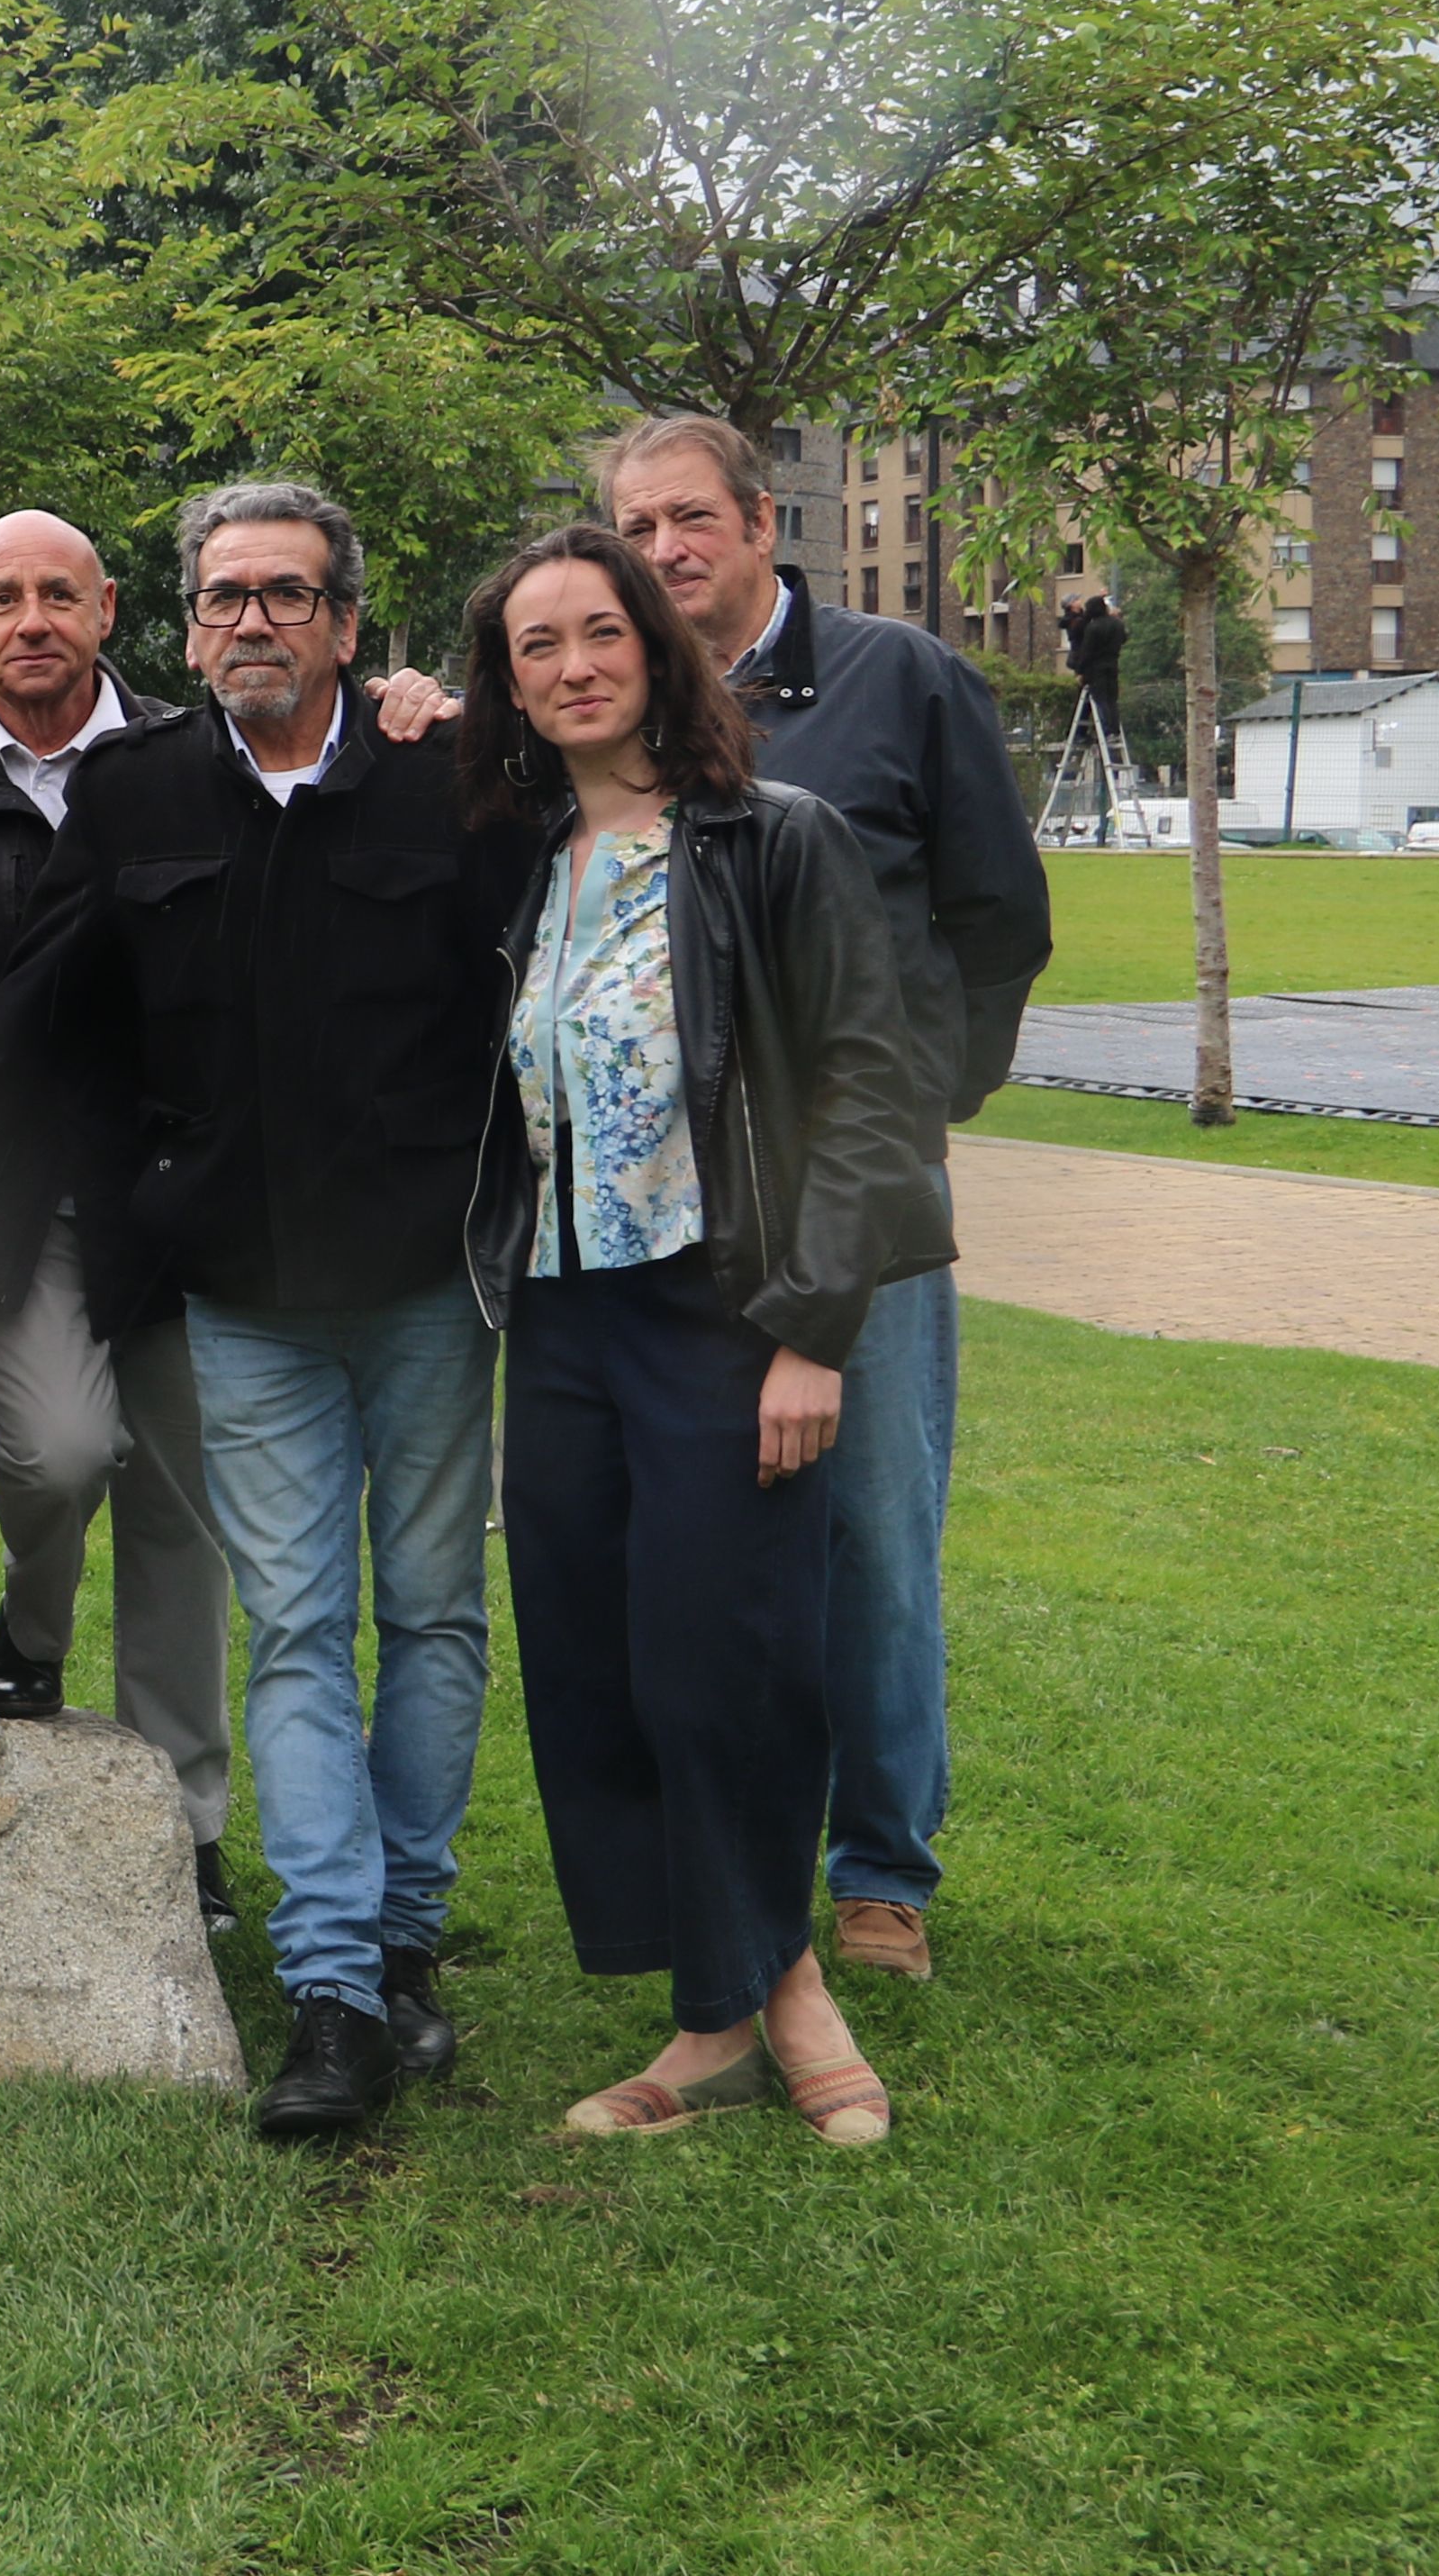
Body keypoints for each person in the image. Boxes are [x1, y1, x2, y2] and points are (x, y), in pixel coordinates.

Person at [0, 477, 539, 2142]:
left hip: (427, 1287)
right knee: (297, 1629)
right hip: (240, 1301)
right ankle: (333, 1994)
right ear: (185, 631)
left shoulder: (453, 784)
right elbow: (43, 1028)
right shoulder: (135, 794)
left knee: (431, 1614)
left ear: (346, 624)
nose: (251, 622)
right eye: (223, 597)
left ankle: (405, 1933)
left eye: (286, 594)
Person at [456, 525, 946, 2145]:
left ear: (657, 650)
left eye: (601, 631)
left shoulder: (771, 838)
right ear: (509, 685)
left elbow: (869, 1087)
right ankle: (718, 2000)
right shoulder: (525, 855)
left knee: (722, 1664)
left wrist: (812, 1332)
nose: (573, 665)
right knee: (597, 1666)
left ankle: (779, 1999)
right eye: (536, 645)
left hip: (723, 1309)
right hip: (562, 1314)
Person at [598, 417, 1050, 1983]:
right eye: (636, 527)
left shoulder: (900, 679)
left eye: (689, 518)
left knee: (872, 1531)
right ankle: (736, 1855)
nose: (665, 550)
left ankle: (880, 1872)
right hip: (677, 1201)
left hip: (861, 1184)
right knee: (709, 1534)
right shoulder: (622, 699)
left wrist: (926, 1101)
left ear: (759, 519)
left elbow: (997, 918)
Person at [0, 507, 233, 1927]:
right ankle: (35, 1624)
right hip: (6, 1196)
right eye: (3, 598)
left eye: (61, 593)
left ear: (110, 608)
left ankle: (188, 1827)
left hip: (173, 1192)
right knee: (58, 1452)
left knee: (181, 1515)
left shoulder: (193, 759)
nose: (34, 619)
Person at [1063, 592, 1128, 756]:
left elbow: (1087, 652)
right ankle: (1114, 731)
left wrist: (1081, 671)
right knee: (1111, 699)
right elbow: (1124, 638)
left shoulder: (1093, 628)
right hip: (1113, 665)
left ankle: (1106, 731)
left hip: (1096, 669)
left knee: (1100, 699)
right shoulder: (1117, 624)